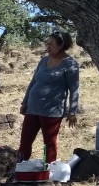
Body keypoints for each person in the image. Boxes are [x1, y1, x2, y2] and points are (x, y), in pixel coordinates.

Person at [18, 30, 79, 163]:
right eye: (47, 43)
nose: (48, 47)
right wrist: (25, 102)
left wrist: (72, 112)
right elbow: (33, 81)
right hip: (33, 107)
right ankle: (19, 169)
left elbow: (74, 89)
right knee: (25, 141)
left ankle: (49, 172)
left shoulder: (70, 64)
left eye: (51, 44)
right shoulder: (43, 60)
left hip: (51, 111)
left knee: (49, 143)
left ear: (61, 45)